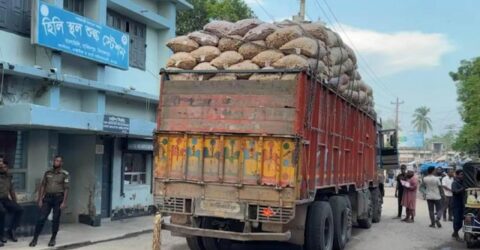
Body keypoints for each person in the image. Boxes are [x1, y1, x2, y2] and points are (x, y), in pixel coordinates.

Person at [29, 156, 69, 247]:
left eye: (58, 161)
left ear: (61, 163)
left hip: (58, 199)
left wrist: (64, 202)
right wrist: (40, 199)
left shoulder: (64, 174)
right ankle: (35, 238)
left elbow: (66, 188)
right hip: (47, 198)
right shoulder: (48, 173)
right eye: (55, 160)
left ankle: (53, 238)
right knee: (41, 218)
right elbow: (43, 186)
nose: (56, 162)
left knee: (55, 219)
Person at [0, 161, 23, 246]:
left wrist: (15, 202)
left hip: (5, 199)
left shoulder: (9, 177)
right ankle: (1, 235)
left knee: (19, 209)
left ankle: (12, 230)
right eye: (2, 167)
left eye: (5, 167)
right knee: (2, 212)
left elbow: (11, 190)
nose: (3, 169)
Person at [451, 169, 465, 241]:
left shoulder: (464, 182)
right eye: (461, 174)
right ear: (457, 175)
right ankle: (456, 235)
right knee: (456, 220)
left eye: (463, 174)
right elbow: (455, 191)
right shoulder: (454, 183)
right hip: (456, 204)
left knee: (461, 221)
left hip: (462, 204)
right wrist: (463, 189)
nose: (463, 176)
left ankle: (455, 232)